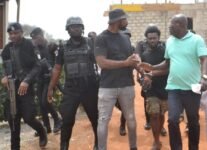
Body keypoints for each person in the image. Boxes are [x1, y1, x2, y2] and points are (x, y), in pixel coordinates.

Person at [139, 14, 207, 150]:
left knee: (193, 120)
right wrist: (152, 68)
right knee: (172, 119)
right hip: (173, 88)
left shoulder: (196, 40)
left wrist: (204, 77)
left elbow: (204, 60)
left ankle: (193, 147)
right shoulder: (170, 41)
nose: (169, 26)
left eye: (172, 24)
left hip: (192, 88)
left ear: (182, 25)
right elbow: (167, 63)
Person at [47, 17, 99, 150]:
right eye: (72, 27)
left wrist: (96, 40)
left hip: (90, 87)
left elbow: (100, 61)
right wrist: (51, 88)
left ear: (82, 28)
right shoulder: (63, 47)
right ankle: (64, 146)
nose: (76, 28)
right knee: (67, 120)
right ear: (68, 30)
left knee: (95, 118)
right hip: (71, 88)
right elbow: (57, 68)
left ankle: (99, 144)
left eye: (78, 26)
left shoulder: (90, 43)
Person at [94, 8, 140, 150]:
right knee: (103, 121)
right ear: (118, 21)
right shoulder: (101, 38)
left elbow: (132, 59)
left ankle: (133, 147)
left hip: (127, 84)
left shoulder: (125, 38)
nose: (126, 21)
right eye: (124, 18)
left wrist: (142, 71)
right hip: (107, 86)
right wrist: (125, 63)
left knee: (131, 120)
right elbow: (101, 62)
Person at [1, 22, 47, 149]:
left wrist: (26, 80)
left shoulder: (29, 45)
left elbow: (38, 66)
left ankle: (42, 131)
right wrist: (4, 77)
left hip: (27, 88)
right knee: (13, 120)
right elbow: (5, 68)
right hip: (12, 88)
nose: (13, 36)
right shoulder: (6, 49)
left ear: (22, 33)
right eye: (11, 34)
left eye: (16, 33)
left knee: (29, 118)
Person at [135, 25, 168, 149]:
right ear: (146, 39)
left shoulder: (165, 51)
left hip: (164, 87)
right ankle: (156, 140)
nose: (152, 40)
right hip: (151, 89)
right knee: (154, 115)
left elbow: (167, 69)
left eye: (154, 38)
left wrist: (151, 74)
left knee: (161, 114)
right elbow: (140, 67)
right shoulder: (144, 53)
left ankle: (161, 129)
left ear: (159, 38)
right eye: (150, 38)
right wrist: (144, 76)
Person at [30, 27, 62, 136]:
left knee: (45, 101)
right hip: (40, 78)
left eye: (37, 37)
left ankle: (57, 120)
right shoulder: (35, 49)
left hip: (50, 78)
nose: (35, 40)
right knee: (41, 104)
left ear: (42, 35)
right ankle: (46, 127)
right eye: (34, 39)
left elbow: (59, 62)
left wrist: (53, 72)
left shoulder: (51, 46)